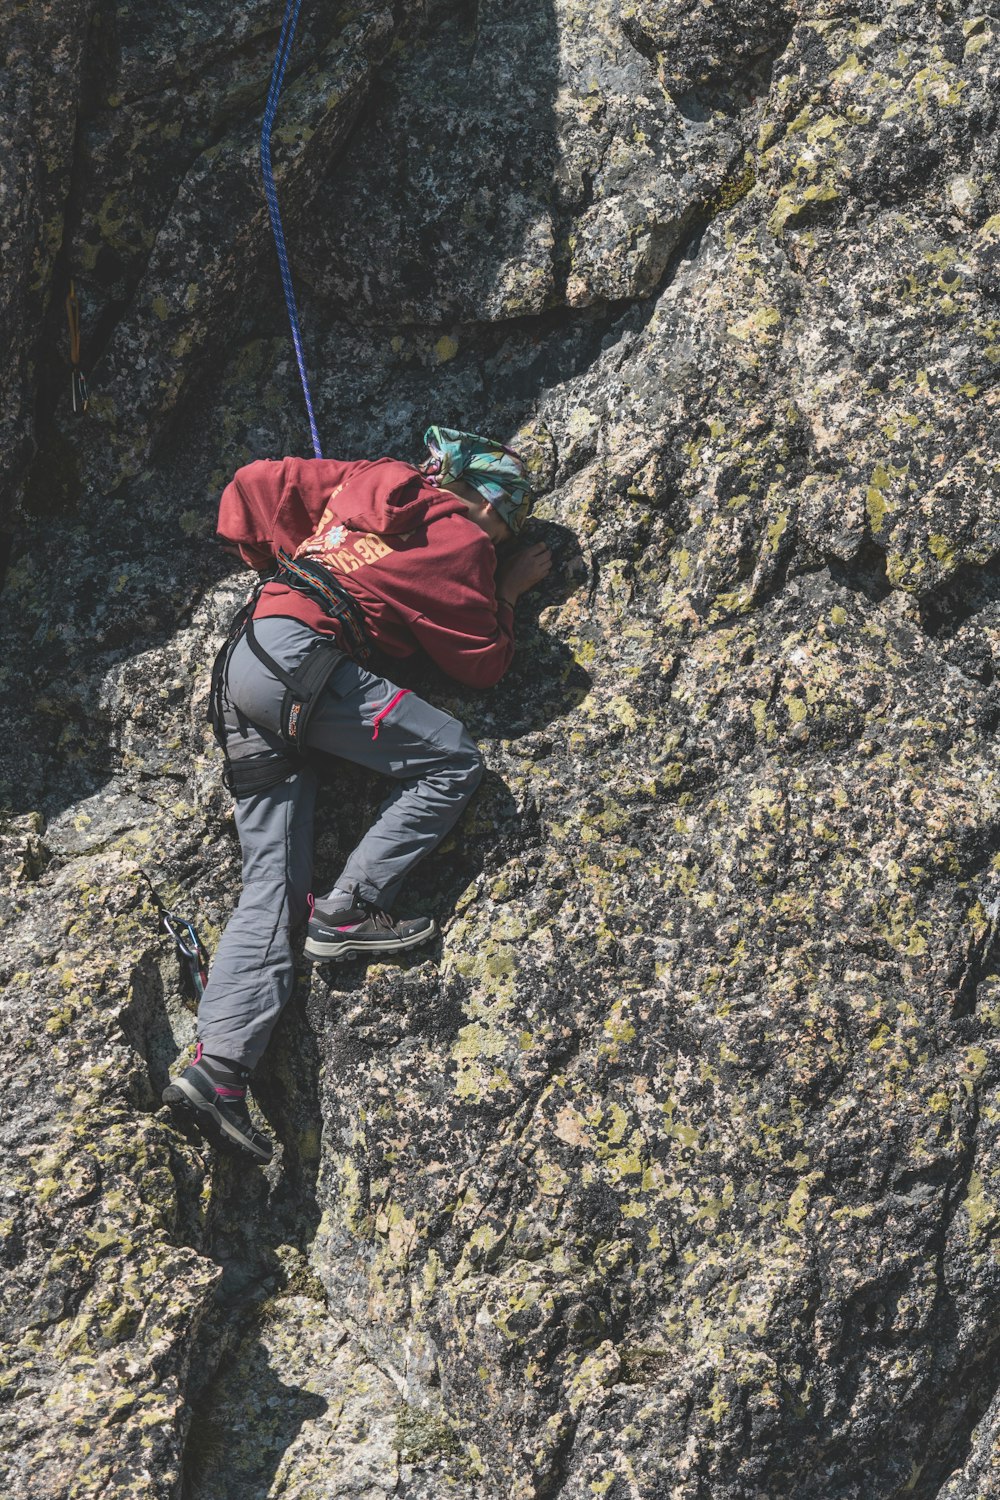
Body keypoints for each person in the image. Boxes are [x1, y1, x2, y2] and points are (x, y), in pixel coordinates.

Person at [162, 427, 552, 1162]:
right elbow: (482, 663)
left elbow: (252, 486)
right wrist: (503, 591)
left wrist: (296, 554)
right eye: (510, 520)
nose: (503, 537)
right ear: (484, 503)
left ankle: (217, 1070)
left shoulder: (364, 481)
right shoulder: (463, 538)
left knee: (271, 886)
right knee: (450, 760)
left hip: (247, 660)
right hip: (300, 661)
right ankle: (347, 909)